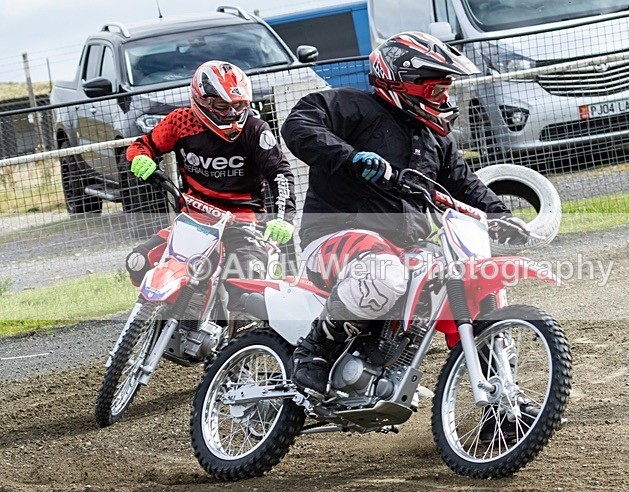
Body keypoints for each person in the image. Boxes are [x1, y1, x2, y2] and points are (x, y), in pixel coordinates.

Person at [280, 32, 529, 395]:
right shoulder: (350, 106)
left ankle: (500, 395)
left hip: (407, 247)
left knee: (475, 284)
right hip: (335, 235)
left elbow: (465, 185)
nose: (444, 98)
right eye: (435, 90)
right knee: (385, 275)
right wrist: (349, 157)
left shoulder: (435, 140)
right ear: (403, 83)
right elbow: (299, 124)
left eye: (446, 90)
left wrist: (501, 216)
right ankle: (315, 350)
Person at [124, 60, 296, 284]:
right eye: (222, 107)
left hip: (244, 221)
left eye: (239, 105)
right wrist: (139, 158)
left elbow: (279, 172)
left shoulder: (255, 129)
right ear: (201, 100)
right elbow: (141, 145)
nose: (231, 114)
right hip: (194, 219)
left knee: (246, 279)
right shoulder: (180, 122)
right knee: (137, 261)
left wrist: (284, 218)